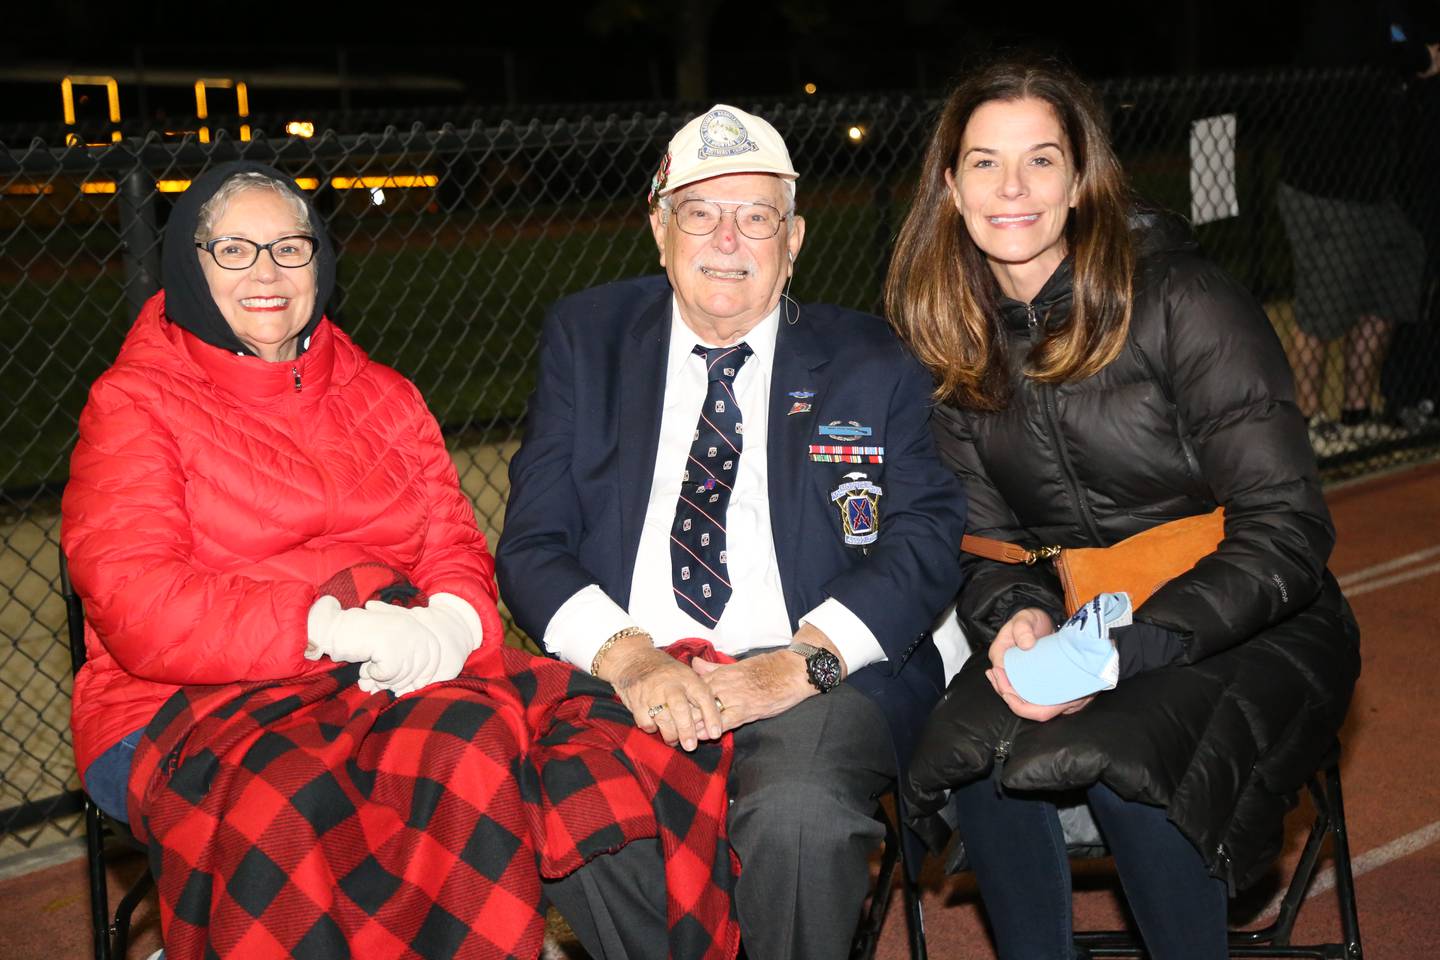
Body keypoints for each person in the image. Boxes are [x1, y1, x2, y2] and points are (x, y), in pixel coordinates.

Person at [64, 161, 737, 960]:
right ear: (190, 262)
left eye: (290, 247)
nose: (268, 273)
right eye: (234, 251)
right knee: (298, 794)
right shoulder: (135, 401)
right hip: (181, 700)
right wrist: (328, 628)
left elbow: (451, 540)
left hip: (387, 672)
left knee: (535, 738)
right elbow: (137, 603)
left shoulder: (383, 392)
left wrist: (452, 620)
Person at [885, 58, 1360, 960]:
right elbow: (991, 546)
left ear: (1081, 179)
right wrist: (1018, 616)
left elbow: (1287, 530)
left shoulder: (1184, 299)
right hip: (1078, 613)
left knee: (1123, 751)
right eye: (984, 163)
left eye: (1041, 160)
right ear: (950, 186)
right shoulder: (952, 338)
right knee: (967, 743)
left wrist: (1121, 649)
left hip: (1253, 615)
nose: (1012, 188)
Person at [497, 104, 967, 959]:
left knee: (796, 815)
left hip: (815, 670)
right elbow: (531, 542)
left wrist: (806, 660)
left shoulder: (873, 360)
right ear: (659, 228)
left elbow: (928, 535)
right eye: (700, 213)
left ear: (793, 240)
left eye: (756, 218)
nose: (727, 241)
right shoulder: (587, 338)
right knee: (560, 797)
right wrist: (628, 655)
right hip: (632, 663)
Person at [1277, 0, 1431, 450]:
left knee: (1397, 270)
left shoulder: (1389, 10)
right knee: (1322, 308)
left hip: (1373, 190)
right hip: (1322, 185)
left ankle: (1356, 412)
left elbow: (1400, 41)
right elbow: (1356, 50)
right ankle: (1306, 422)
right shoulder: (1338, 13)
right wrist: (1419, 57)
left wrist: (1413, 51)